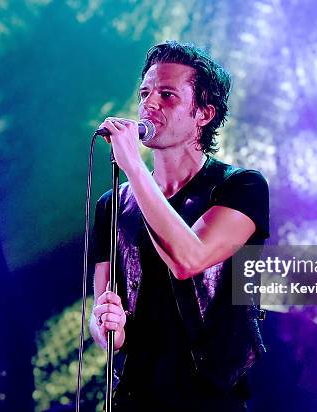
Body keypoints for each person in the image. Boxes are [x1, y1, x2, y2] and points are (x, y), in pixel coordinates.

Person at [89, 40, 269, 411]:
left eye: (167, 95)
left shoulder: (241, 187)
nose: (149, 104)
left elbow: (189, 258)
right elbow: (102, 314)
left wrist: (134, 167)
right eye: (145, 93)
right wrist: (110, 331)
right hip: (136, 395)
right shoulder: (112, 205)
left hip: (210, 398)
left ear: (203, 113)